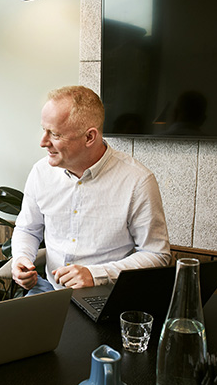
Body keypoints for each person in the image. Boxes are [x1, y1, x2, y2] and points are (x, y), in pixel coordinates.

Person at [11, 86, 171, 294]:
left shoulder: (138, 181)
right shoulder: (40, 172)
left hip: (107, 295)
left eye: (55, 134)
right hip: (48, 290)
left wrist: (96, 274)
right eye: (44, 129)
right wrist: (22, 258)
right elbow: (27, 229)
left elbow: (156, 254)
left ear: (89, 137)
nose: (43, 142)